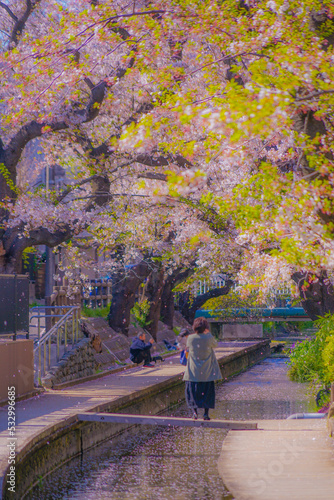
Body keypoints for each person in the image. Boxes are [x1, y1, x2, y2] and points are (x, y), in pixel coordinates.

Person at [183, 317, 222, 420]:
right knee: (207, 393)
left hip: (193, 372)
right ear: (205, 327)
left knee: (192, 393)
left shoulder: (190, 338)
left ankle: (195, 413)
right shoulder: (208, 338)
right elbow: (215, 344)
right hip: (207, 372)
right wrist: (208, 333)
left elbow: (188, 347)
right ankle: (205, 414)